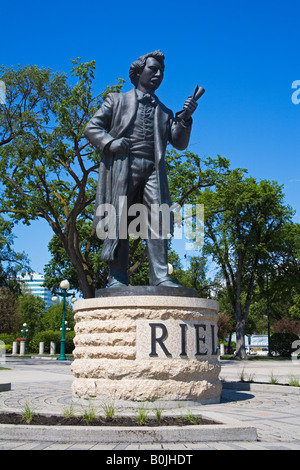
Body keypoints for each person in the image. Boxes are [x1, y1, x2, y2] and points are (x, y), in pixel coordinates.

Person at [84, 50, 198, 288]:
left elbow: (179, 143)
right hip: (124, 165)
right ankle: (117, 277)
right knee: (120, 219)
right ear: (138, 72)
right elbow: (92, 127)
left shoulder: (165, 111)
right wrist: (111, 143)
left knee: (158, 218)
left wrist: (185, 118)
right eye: (153, 69)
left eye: (162, 71)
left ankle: (161, 276)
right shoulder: (116, 100)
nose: (158, 74)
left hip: (153, 169)